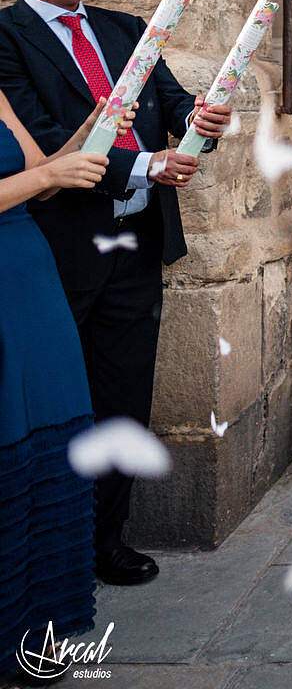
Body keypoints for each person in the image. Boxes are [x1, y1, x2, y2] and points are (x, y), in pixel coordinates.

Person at [0, 0, 232, 587]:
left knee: (123, 398)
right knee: (55, 405)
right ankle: (50, 547)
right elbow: (39, 143)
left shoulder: (128, 29)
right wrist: (147, 165)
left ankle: (106, 541)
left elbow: (173, 100)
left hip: (137, 240)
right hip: (56, 249)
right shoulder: (5, 37)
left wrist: (201, 120)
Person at [0, 91, 134, 684]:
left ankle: (34, 627)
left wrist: (88, 134)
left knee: (51, 438)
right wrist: (50, 174)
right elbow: (43, 179)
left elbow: (41, 179)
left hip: (29, 272)